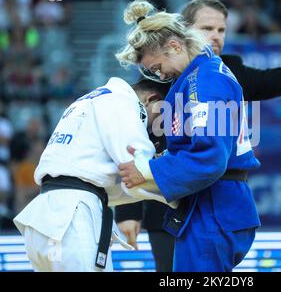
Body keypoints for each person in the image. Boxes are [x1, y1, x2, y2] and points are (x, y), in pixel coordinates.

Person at [115, 0, 281, 271]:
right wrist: (130, 204)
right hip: (184, 202)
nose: (215, 37)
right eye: (207, 29)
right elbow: (141, 143)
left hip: (208, 202)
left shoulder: (207, 78)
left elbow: (210, 154)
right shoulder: (179, 79)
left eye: (221, 30)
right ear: (183, 31)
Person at [13, 77, 174, 272]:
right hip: (73, 219)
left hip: (44, 217)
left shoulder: (87, 100)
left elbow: (122, 181)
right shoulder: (123, 102)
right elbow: (140, 168)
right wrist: (182, 195)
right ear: (152, 99)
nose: (152, 129)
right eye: (159, 118)